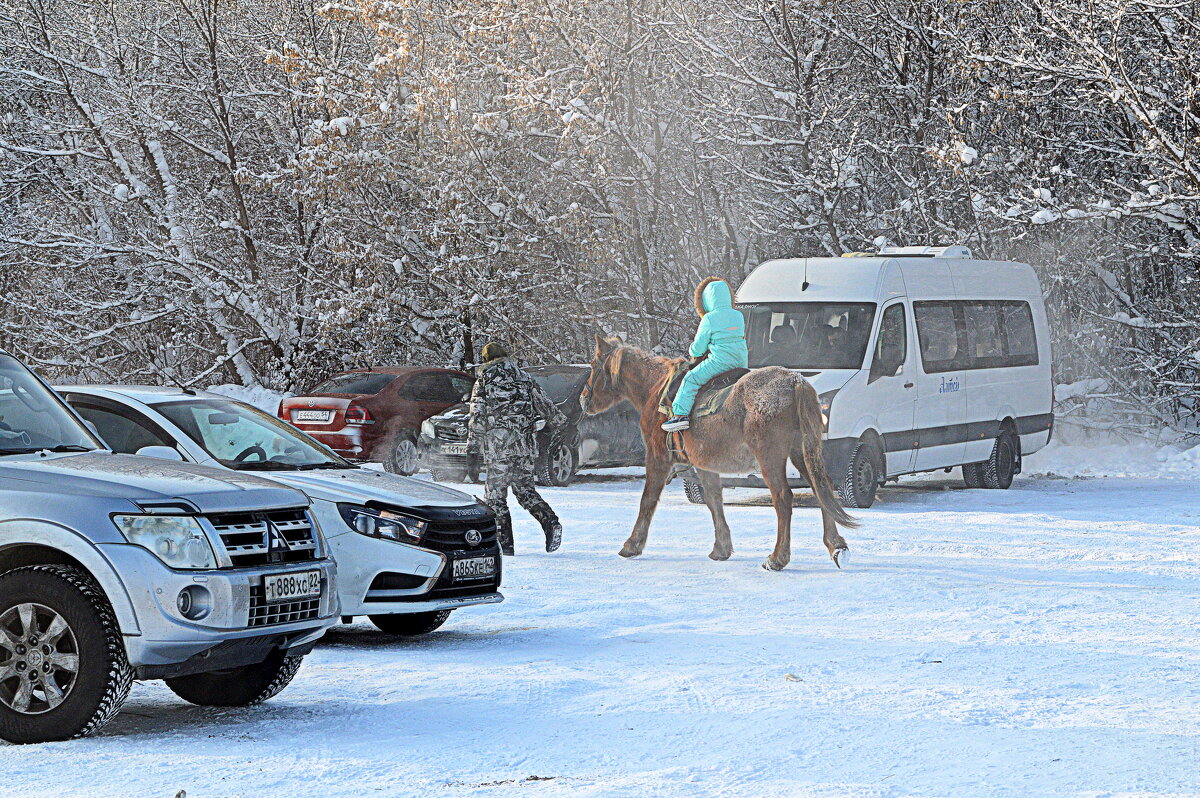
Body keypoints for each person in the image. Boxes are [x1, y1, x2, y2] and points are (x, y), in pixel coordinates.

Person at [467, 341, 568, 555]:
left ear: (486, 360)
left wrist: (472, 449)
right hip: (524, 447)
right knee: (525, 492)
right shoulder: (524, 378)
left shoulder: (484, 379)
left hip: (498, 449)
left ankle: (506, 546)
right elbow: (546, 406)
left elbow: (478, 416)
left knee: (495, 497)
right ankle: (550, 522)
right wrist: (563, 425)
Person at [662, 278, 750, 432]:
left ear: (707, 299)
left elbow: (698, 349)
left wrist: (692, 350)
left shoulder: (709, 318)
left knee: (691, 379)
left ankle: (680, 416)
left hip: (719, 363)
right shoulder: (738, 316)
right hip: (741, 362)